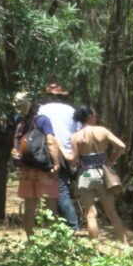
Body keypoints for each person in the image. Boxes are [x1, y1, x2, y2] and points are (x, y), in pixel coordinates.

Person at [68, 105, 129, 245]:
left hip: (85, 175)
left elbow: (72, 161)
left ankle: (94, 250)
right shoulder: (102, 131)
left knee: (90, 213)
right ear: (89, 116)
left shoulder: (76, 136)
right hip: (103, 173)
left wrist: (61, 149)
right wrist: (111, 161)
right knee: (112, 213)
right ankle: (126, 247)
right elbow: (122, 147)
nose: (96, 117)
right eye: (95, 115)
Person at [12, 92, 62, 238]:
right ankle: (54, 243)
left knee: (30, 207)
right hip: (43, 169)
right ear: (33, 105)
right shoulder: (43, 121)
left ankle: (31, 241)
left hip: (27, 170)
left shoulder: (21, 124)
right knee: (50, 205)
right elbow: (51, 142)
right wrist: (57, 163)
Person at [38, 82, 80, 232]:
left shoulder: (42, 110)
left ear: (49, 96)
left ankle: (73, 226)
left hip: (51, 154)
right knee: (59, 190)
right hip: (70, 154)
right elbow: (77, 133)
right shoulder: (71, 110)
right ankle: (57, 226)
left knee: (59, 192)